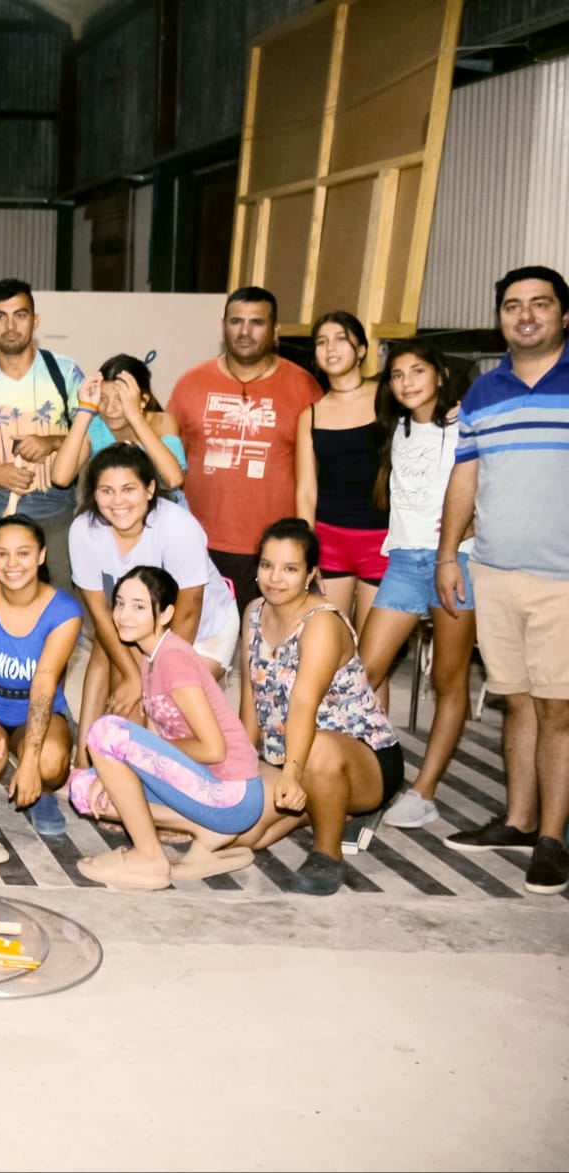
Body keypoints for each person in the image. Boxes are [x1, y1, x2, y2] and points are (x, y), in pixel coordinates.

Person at [436, 264, 569, 894]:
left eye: (540, 304)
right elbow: (466, 476)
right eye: (513, 306)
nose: (525, 315)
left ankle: (551, 839)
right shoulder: (485, 392)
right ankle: (518, 821)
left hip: (563, 578)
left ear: (563, 315)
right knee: (515, 699)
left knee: (559, 709)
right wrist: (446, 555)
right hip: (493, 569)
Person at [66, 566, 267, 889]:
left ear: (166, 613)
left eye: (139, 606)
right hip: (201, 787)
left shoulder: (174, 658)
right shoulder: (149, 658)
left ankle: (149, 858)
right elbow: (158, 742)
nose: (123, 615)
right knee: (84, 791)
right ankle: (203, 831)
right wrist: (115, 772)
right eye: (119, 603)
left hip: (232, 792)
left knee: (106, 733)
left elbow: (213, 748)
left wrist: (127, 757)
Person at [242, 519, 404, 895]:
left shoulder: (322, 623)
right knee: (244, 837)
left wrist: (291, 774)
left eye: (290, 568)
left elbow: (303, 703)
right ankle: (329, 808)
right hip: (289, 755)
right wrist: (243, 762)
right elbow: (251, 695)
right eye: (267, 565)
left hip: (363, 758)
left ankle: (327, 854)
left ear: (311, 573)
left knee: (319, 747)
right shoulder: (253, 612)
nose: (275, 578)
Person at [354, 341, 473, 830]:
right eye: (397, 375)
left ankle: (424, 791)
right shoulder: (395, 428)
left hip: (460, 562)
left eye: (417, 371)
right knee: (362, 671)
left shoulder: (468, 423)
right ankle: (366, 768)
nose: (406, 382)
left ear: (441, 374)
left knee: (449, 679)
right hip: (404, 560)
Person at [67, 445, 239, 765]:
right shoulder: (83, 530)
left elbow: (188, 613)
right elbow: (101, 615)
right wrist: (132, 678)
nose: (118, 501)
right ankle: (85, 755)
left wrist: (145, 681)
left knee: (167, 709)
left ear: (149, 489)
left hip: (201, 629)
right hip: (141, 622)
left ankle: (146, 777)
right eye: (106, 490)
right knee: (117, 679)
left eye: (129, 489)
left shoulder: (177, 527)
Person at [167, 286, 324, 610]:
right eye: (236, 321)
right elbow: (166, 463)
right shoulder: (189, 383)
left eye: (256, 322)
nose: (244, 331)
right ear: (224, 326)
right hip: (199, 544)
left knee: (265, 653)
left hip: (274, 553)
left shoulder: (303, 386)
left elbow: (316, 476)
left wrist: (307, 548)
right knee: (198, 654)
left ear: (275, 330)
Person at [0, 279, 88, 586]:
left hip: (55, 506)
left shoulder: (66, 371)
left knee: (62, 604)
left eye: (20, 315)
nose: (10, 325)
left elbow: (93, 435)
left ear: (35, 321)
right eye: (0, 316)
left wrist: (52, 442)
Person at [0, 516, 83, 837]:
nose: (12, 564)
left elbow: (45, 683)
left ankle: (41, 790)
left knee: (49, 764)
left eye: (23, 553)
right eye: (1, 554)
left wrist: (31, 760)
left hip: (35, 710)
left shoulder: (65, 612)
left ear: (41, 556)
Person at [296, 310, 385, 636]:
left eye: (340, 339)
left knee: (373, 658)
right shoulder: (311, 414)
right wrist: (306, 552)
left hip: (382, 539)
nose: (330, 348)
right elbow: (306, 490)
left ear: (361, 349)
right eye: (321, 342)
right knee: (329, 647)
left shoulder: (387, 397)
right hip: (329, 540)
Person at [50, 355, 186, 493]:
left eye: (120, 399)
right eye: (103, 398)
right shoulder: (96, 426)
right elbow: (60, 479)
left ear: (143, 400)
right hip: (115, 509)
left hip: (161, 510)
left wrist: (135, 417)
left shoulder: (162, 422)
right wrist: (85, 410)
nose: (109, 409)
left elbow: (173, 480)